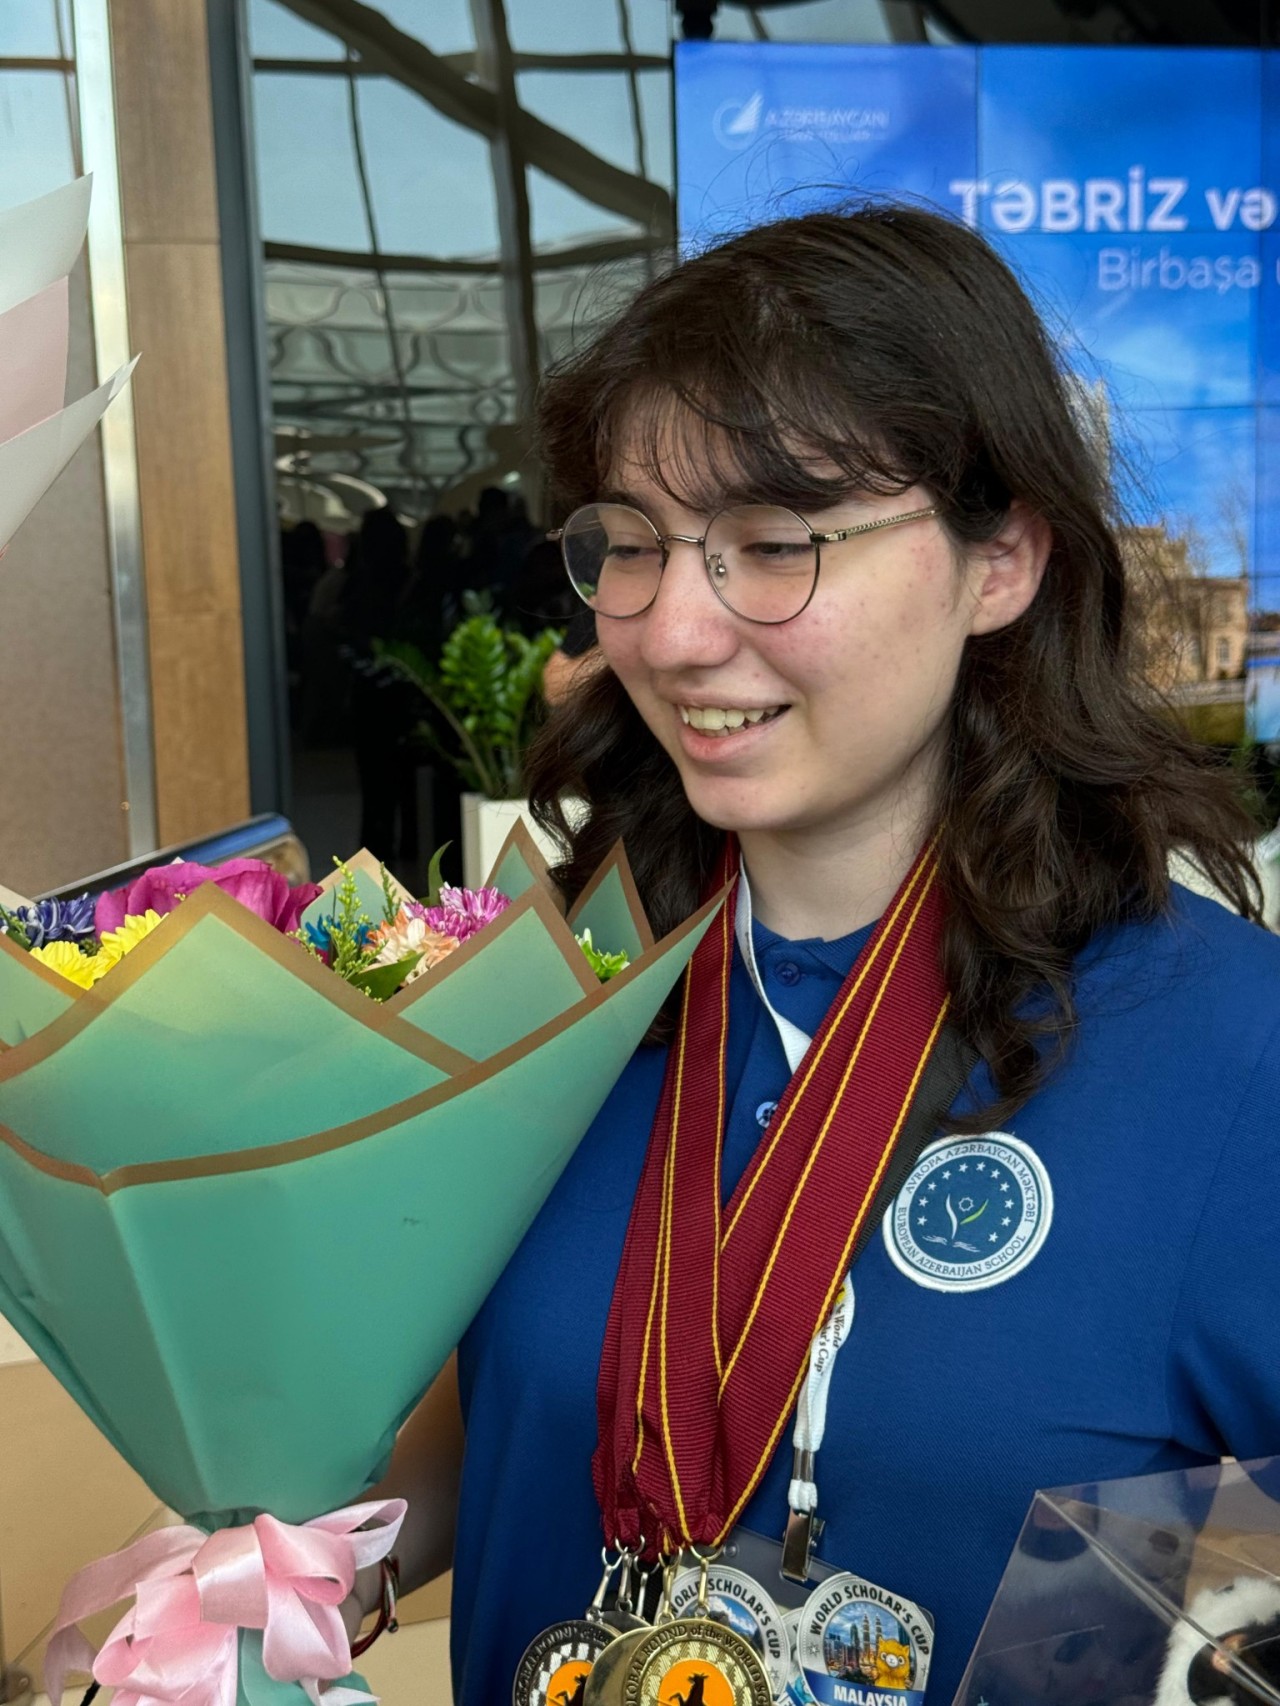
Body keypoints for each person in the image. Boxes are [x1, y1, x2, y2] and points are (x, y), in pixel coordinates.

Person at [350, 205, 1280, 1706]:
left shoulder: (1232, 1058)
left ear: (1002, 560)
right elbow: (503, 1405)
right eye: (632, 546)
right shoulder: (550, 1007)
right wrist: (314, 1552)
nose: (673, 629)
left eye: (774, 544)